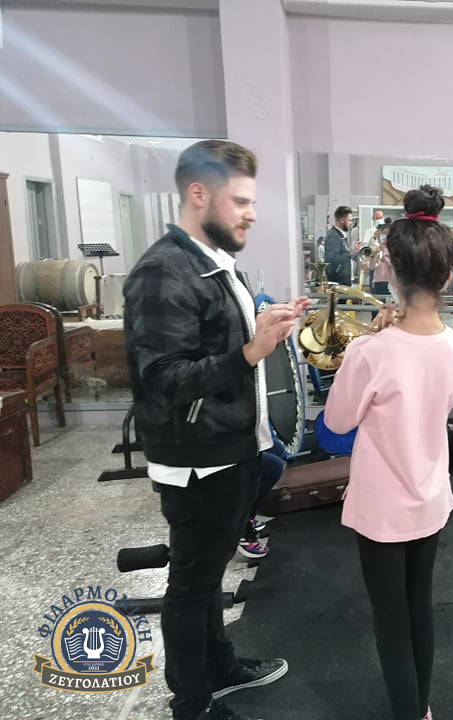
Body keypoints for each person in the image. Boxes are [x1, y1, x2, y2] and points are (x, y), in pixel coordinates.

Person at [124, 140, 311, 720]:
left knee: (206, 578)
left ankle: (218, 666)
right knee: (191, 585)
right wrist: (251, 350)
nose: (251, 213)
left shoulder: (214, 261)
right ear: (198, 194)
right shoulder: (163, 271)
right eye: (240, 201)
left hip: (230, 448)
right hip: (197, 461)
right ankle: (192, 703)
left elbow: (212, 346)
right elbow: (162, 379)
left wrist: (263, 327)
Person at [324, 185, 453, 720]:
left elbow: (336, 423)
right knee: (419, 610)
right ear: (449, 276)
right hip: (430, 498)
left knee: (391, 623)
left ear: (389, 269)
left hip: (381, 506)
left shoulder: (371, 350)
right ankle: (421, 709)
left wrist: (364, 346)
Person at [324, 205, 358, 286]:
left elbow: (344, 255)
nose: (351, 223)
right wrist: (350, 253)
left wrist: (353, 251)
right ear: (342, 220)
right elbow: (332, 259)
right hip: (338, 281)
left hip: (344, 280)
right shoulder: (333, 236)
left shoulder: (341, 236)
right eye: (349, 220)